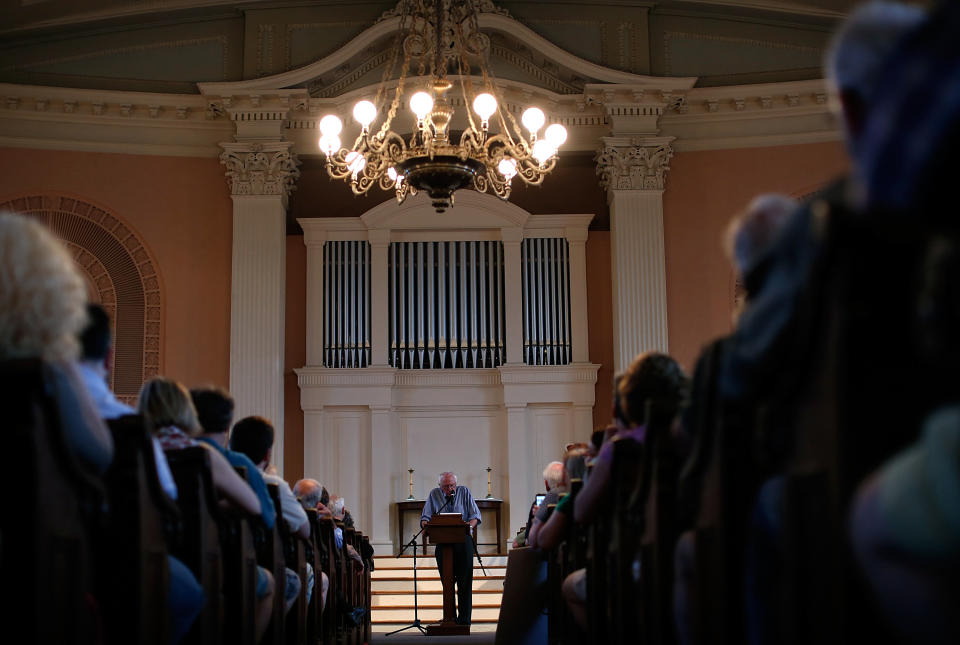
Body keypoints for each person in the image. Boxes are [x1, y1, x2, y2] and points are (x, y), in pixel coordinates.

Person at [78, 303, 204, 644]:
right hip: (117, 560)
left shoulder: (31, 405)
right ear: (108, 358)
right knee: (189, 594)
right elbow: (166, 494)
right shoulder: (125, 424)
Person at [138, 377, 275, 643]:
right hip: (201, 556)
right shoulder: (199, 454)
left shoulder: (135, 444)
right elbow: (257, 508)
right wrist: (219, 504)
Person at [229, 415, 311, 613]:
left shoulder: (216, 473)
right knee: (295, 580)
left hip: (215, 560)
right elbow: (304, 530)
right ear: (267, 455)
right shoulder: (273, 485)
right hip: (259, 563)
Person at [420, 471, 481, 626]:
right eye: (446, 487)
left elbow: (476, 516)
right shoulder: (434, 495)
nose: (450, 489)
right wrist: (426, 526)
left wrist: (469, 525)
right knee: (447, 582)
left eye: (452, 485)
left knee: (464, 581)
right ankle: (450, 617)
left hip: (463, 541)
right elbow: (425, 518)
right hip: (443, 543)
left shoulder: (464, 491)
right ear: (440, 486)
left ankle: (464, 619)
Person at [290, 478, 331, 611]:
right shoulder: (315, 520)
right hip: (299, 565)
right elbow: (321, 555)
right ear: (318, 503)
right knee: (320, 578)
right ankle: (309, 629)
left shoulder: (284, 505)